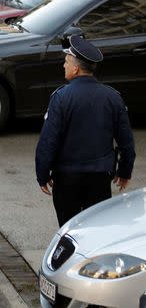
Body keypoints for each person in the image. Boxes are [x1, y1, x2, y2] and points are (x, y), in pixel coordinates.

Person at [35, 35, 136, 227]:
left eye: (66, 62)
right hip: (100, 177)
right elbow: (126, 141)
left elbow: (49, 140)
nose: (63, 66)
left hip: (66, 178)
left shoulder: (61, 97)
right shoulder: (113, 97)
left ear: (75, 68)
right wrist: (125, 171)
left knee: (69, 230)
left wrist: (42, 173)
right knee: (97, 230)